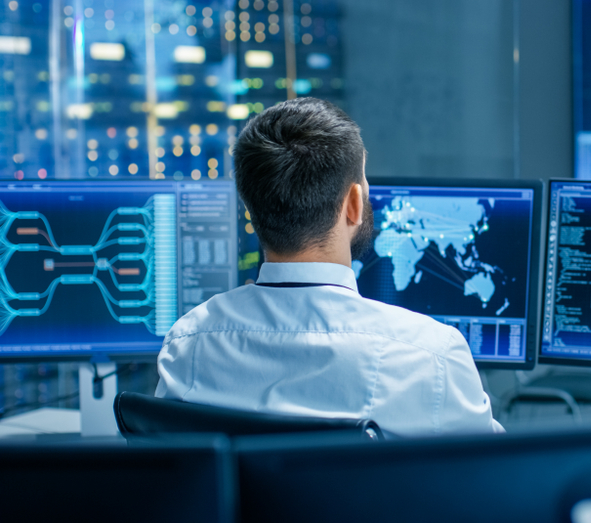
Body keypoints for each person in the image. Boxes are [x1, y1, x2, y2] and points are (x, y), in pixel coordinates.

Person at [155, 97, 503, 436]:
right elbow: (493, 479)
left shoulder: (188, 345)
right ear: (353, 204)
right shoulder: (431, 356)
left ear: (252, 210)